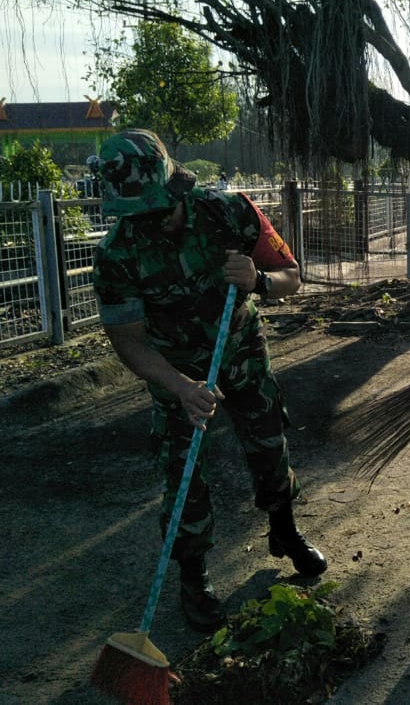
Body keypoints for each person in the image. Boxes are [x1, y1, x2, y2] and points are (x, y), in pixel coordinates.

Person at [91, 129, 326, 632]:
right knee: (183, 476)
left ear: (174, 188)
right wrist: (180, 386)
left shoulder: (231, 212)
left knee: (269, 446)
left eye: (155, 208)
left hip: (241, 353)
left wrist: (258, 281)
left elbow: (291, 274)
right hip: (175, 372)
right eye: (135, 211)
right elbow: (129, 341)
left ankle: (284, 530)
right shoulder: (117, 254)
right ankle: (194, 580)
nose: (147, 220)